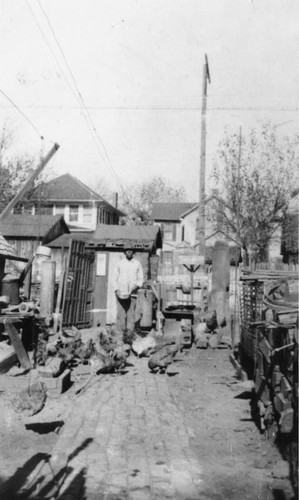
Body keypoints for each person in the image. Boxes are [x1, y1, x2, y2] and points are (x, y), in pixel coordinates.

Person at [113, 244, 144, 334]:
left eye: (130, 250)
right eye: (127, 250)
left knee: (131, 314)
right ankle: (120, 335)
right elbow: (114, 278)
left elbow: (141, 278)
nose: (129, 252)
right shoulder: (119, 263)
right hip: (120, 293)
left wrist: (136, 286)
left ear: (133, 252)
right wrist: (116, 290)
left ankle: (129, 335)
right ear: (125, 252)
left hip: (132, 293)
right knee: (120, 314)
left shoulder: (137, 264)